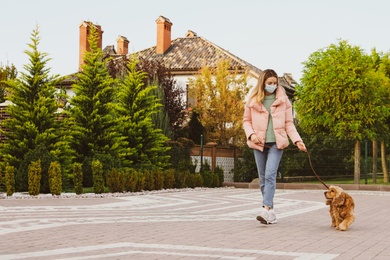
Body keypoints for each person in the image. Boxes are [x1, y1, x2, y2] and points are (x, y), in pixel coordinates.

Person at [243, 69, 307, 224]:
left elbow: (288, 123)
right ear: (263, 83)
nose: (272, 85)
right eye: (269, 83)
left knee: (271, 175)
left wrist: (297, 140)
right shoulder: (253, 100)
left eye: (274, 83)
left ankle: (265, 209)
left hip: (276, 144)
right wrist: (251, 135)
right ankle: (271, 212)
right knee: (263, 178)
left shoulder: (283, 100)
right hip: (259, 144)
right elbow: (246, 121)